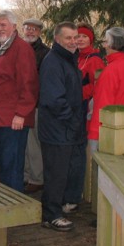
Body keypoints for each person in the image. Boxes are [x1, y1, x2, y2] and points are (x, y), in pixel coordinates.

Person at [38, 22, 87, 232]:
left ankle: (58, 208)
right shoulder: (53, 62)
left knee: (64, 171)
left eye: (75, 37)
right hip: (57, 129)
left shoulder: (69, 60)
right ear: (57, 39)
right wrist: (73, 120)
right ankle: (51, 215)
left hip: (67, 128)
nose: (73, 41)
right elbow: (54, 99)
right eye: (68, 38)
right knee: (55, 173)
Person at [0, 10, 38, 192]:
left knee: (13, 165)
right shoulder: (2, 49)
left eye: (3, 25)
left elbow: (28, 84)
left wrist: (21, 114)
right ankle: (7, 202)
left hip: (13, 120)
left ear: (14, 26)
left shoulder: (21, 49)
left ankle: (15, 208)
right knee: (4, 165)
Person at [88, 27, 124, 152]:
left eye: (106, 41)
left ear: (114, 44)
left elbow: (103, 105)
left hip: (108, 132)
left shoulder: (111, 70)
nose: (104, 45)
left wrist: (94, 134)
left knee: (103, 170)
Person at [21, 18, 50, 194]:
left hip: (36, 104)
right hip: (20, 104)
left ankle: (37, 178)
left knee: (33, 143)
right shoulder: (20, 49)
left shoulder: (45, 53)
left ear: (39, 32)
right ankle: (25, 176)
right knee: (23, 142)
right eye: (27, 29)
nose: (30, 32)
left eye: (34, 29)